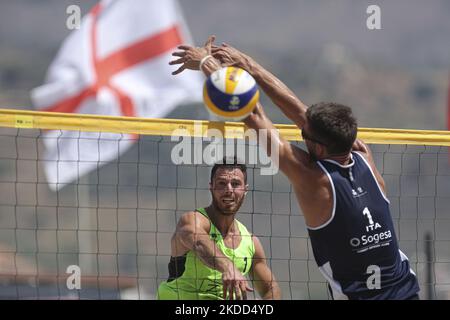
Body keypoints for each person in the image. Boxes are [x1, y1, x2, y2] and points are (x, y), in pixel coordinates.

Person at [169, 36, 420, 300]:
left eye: (305, 136)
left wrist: (207, 63)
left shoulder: (315, 181)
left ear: (320, 148)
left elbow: (252, 115)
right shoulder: (362, 154)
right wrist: (248, 64)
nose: (301, 135)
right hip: (407, 290)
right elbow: (304, 113)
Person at [157, 156, 281, 300]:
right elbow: (199, 242)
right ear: (211, 187)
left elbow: (271, 289)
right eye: (222, 183)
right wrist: (228, 267)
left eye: (235, 184)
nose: (228, 190)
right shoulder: (193, 220)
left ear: (245, 190)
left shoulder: (251, 242)